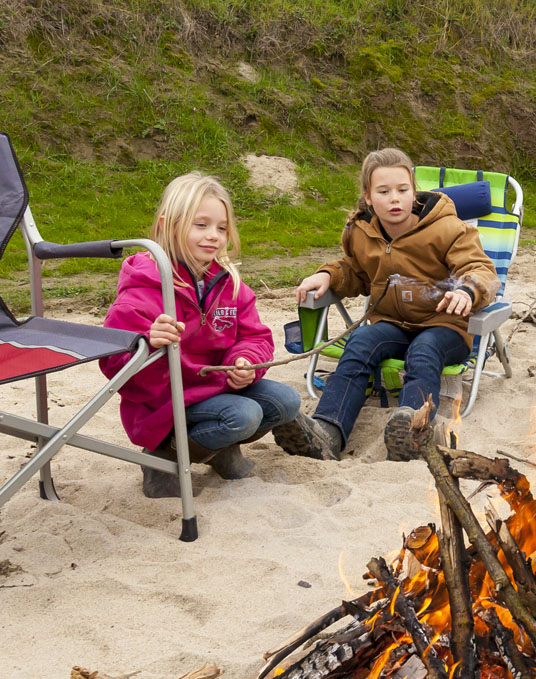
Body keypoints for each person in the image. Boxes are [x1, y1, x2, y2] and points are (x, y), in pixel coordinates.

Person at [273, 147, 498, 462]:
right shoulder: (361, 232)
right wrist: (328, 275)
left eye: (403, 190)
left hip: (444, 325)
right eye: (384, 191)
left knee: (424, 351)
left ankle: (413, 431)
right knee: (361, 342)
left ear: (414, 192)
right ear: (368, 197)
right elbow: (355, 271)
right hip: (391, 323)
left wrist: (466, 291)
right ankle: (328, 431)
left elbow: (480, 269)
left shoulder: (448, 228)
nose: (395, 199)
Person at [100, 172, 301, 498]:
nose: (213, 236)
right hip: (164, 406)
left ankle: (218, 449)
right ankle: (163, 456)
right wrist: (147, 343)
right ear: (168, 226)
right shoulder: (143, 288)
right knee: (243, 415)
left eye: (221, 228)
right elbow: (113, 361)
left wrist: (245, 361)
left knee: (286, 402)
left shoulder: (229, 283)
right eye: (201, 225)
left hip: (215, 388)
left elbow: (256, 337)